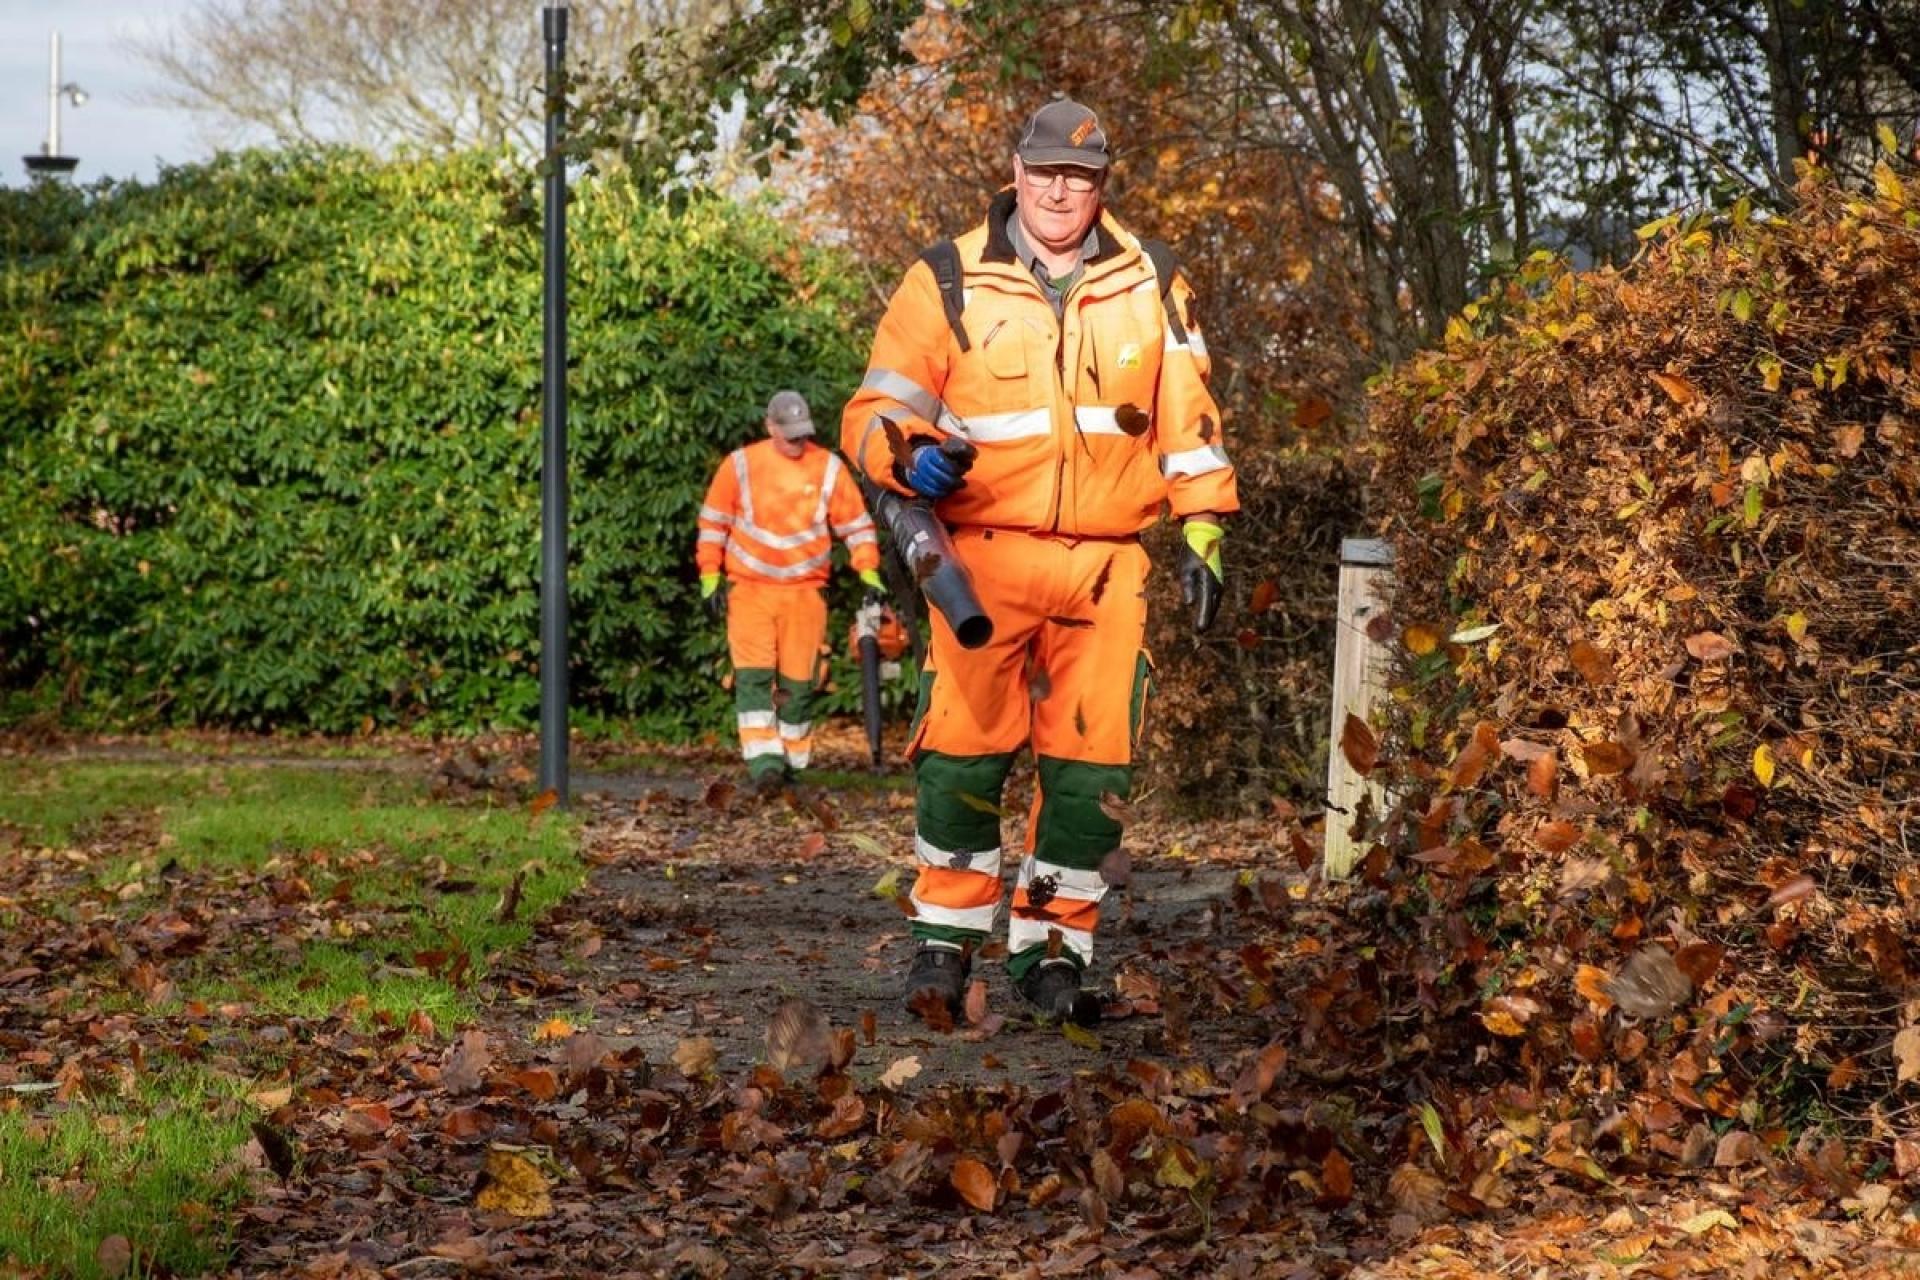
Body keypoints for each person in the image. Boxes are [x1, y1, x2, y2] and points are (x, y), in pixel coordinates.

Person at [840, 97, 1238, 1024]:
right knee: (962, 761)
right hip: (978, 560)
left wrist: (1206, 526)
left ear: (1102, 186)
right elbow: (872, 413)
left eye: (1082, 176)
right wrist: (911, 455)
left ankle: (1054, 952)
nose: (1063, 189)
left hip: (1107, 569)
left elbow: (1191, 416)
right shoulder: (946, 277)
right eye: (1048, 170)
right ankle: (943, 946)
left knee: (1091, 774)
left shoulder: (1153, 279)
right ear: (1016, 171)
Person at [697, 390, 885, 789]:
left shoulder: (828, 468)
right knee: (754, 678)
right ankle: (764, 763)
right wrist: (709, 575)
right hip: (750, 589)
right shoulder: (742, 465)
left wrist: (868, 571)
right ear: (770, 426)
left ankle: (793, 763)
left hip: (805, 592)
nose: (798, 443)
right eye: (790, 436)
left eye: (803, 435)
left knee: (800, 683)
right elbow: (713, 523)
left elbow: (856, 526)